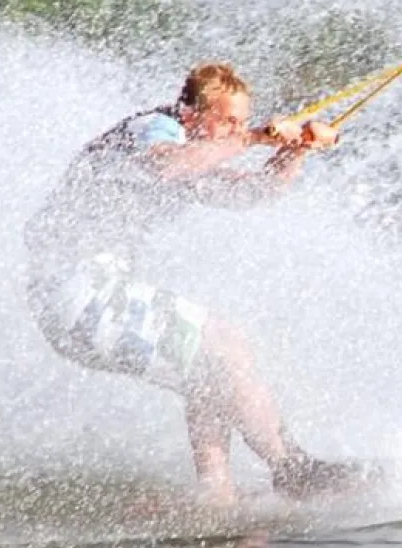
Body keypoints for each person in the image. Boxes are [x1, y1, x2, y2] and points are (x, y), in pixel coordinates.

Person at [23, 62, 370, 506]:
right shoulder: (155, 130)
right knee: (224, 344)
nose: (234, 130)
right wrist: (253, 138)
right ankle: (292, 468)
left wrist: (295, 151)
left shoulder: (196, 152)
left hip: (87, 297)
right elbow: (168, 166)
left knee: (208, 366)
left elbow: (251, 193)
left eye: (241, 121)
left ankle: (216, 496)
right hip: (77, 293)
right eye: (226, 120)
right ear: (190, 112)